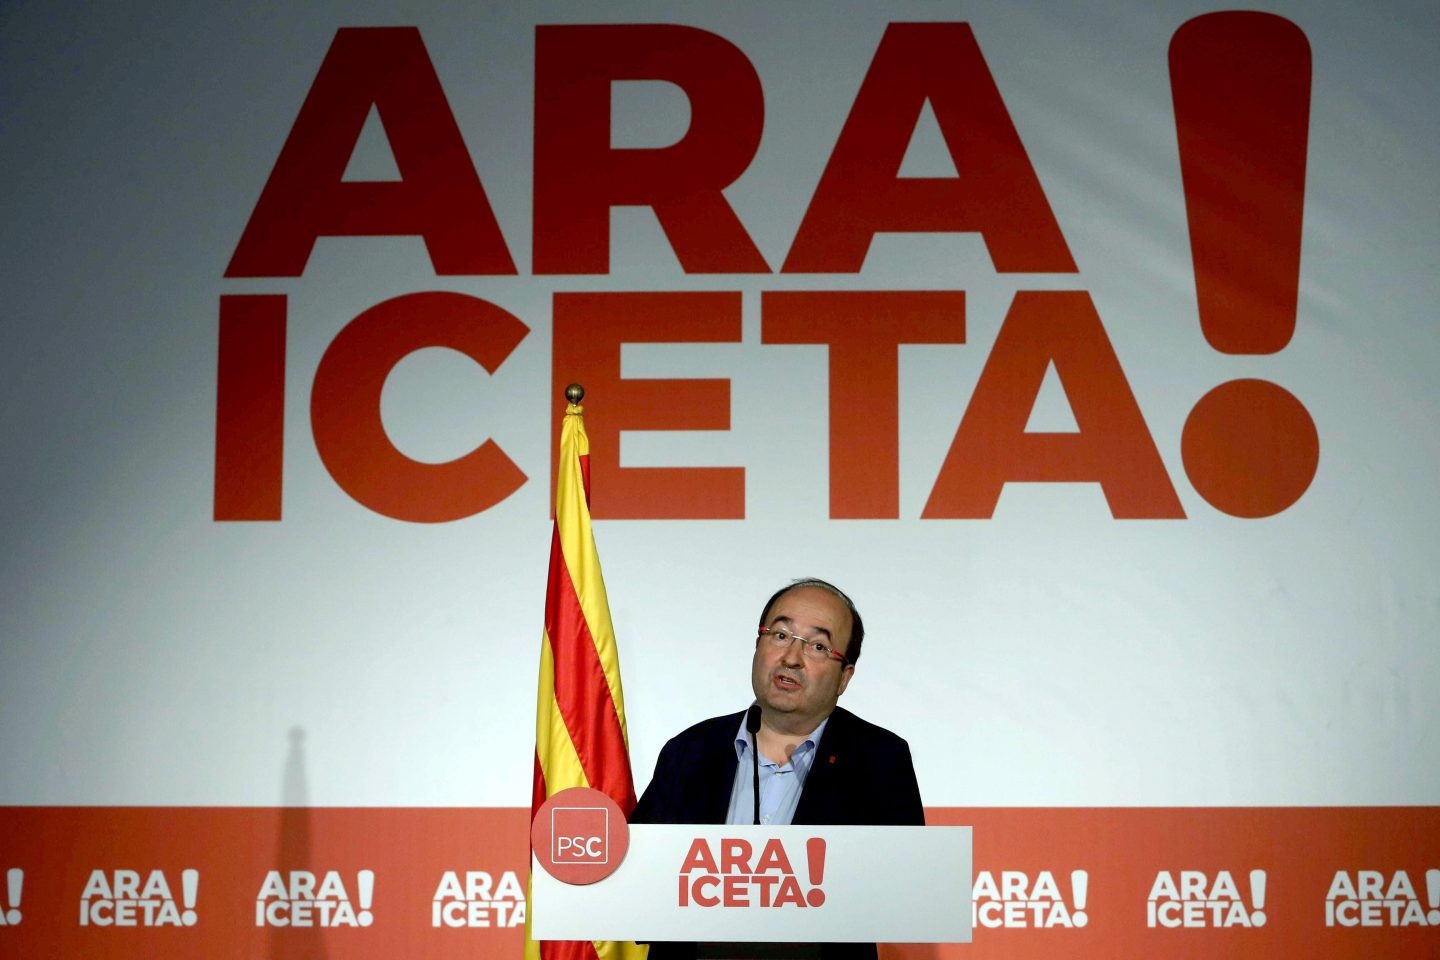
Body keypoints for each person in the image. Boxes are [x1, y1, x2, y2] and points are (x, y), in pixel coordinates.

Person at [631, 578, 924, 960]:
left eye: (818, 646)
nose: (791, 658)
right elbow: (637, 886)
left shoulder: (878, 759)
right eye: (781, 635)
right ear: (758, 646)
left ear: (845, 677)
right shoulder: (690, 750)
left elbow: (904, 894)